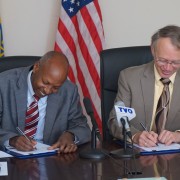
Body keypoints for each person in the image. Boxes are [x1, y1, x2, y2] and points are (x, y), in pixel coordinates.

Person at [0, 51, 91, 153]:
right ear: (36, 67)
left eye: (55, 88)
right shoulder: (3, 84)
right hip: (10, 159)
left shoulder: (68, 91)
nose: (47, 91)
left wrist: (71, 135)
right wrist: (12, 140)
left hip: (50, 158)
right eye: (45, 82)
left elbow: (82, 127)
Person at [108, 25, 180, 147]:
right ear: (153, 50)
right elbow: (115, 121)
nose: (168, 68)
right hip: (137, 157)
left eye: (175, 62)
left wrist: (178, 135)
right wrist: (135, 136)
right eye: (162, 60)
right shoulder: (129, 78)